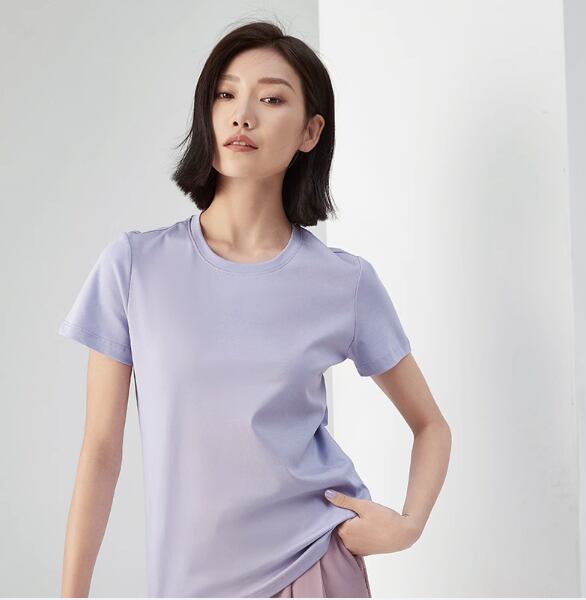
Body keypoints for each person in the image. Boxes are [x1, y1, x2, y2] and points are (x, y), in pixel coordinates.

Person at [58, 19, 451, 598]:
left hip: (313, 567)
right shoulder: (135, 266)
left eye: (271, 99)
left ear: (311, 132)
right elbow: (99, 453)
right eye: (226, 94)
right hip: (188, 584)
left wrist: (408, 525)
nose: (242, 115)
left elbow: (431, 425)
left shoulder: (343, 282)